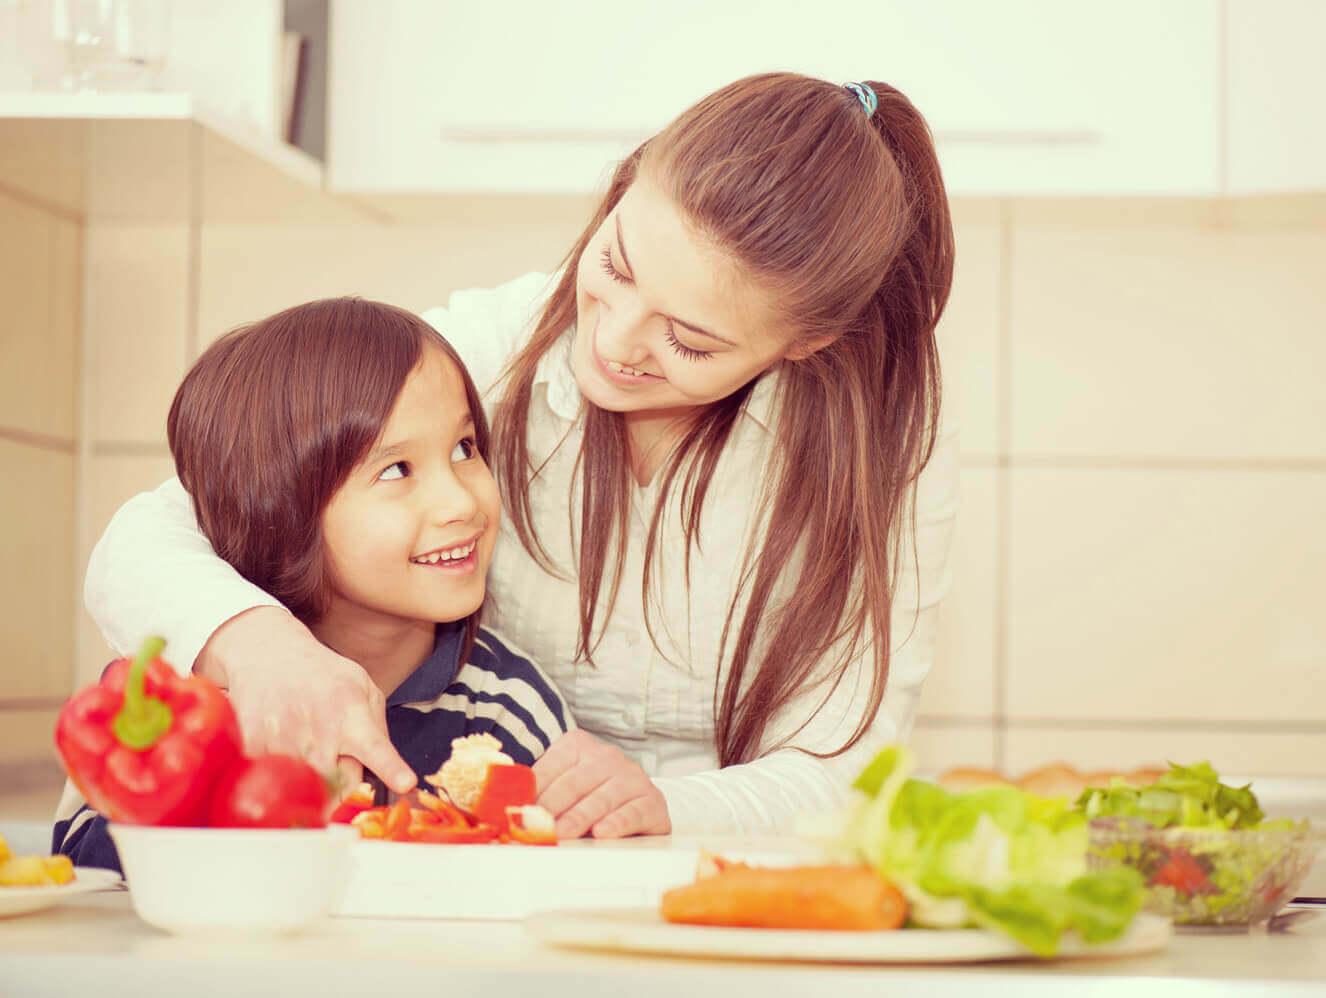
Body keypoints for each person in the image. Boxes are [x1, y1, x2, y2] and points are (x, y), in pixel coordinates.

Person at [86, 73, 959, 838]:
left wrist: (663, 804)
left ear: (808, 341)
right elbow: (151, 533)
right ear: (624, 188)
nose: (612, 344)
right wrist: (259, 643)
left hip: (719, 872)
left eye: (689, 342)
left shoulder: (887, 450)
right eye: (614, 265)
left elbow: (838, 768)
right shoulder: (489, 347)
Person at [56, 299, 572, 870]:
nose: (460, 502)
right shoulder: (180, 703)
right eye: (396, 470)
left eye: (464, 448)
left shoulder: (509, 703)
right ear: (278, 513)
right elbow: (88, 879)